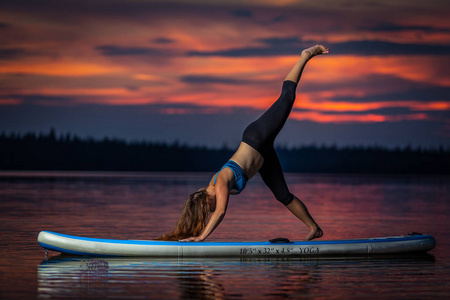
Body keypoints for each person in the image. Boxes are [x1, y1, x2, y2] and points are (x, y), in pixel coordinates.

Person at [157, 45, 329, 242]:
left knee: (287, 97)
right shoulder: (204, 193)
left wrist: (201, 238)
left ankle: (305, 56)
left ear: (206, 200)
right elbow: (198, 202)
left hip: (256, 138)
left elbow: (220, 212)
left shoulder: (219, 182)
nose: (210, 211)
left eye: (208, 209)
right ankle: (315, 229)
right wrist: (190, 233)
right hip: (264, 157)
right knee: (283, 196)